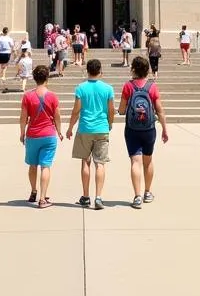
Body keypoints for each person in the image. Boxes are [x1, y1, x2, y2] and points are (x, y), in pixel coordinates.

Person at [118, 55, 169, 208]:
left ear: (133, 69)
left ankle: (137, 196)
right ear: (147, 70)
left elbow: (121, 109)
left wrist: (123, 110)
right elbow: (159, 110)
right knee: (148, 161)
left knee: (135, 161)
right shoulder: (152, 87)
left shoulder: (128, 86)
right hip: (149, 129)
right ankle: (147, 192)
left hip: (132, 129)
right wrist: (165, 129)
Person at [65, 58, 115, 210]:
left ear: (87, 71)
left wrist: (70, 127)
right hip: (102, 128)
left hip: (85, 128)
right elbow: (111, 109)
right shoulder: (108, 89)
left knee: (85, 162)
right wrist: (110, 123)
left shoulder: (81, 88)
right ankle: (98, 197)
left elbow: (76, 110)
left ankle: (86, 196)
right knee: (100, 163)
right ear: (100, 71)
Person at [19, 65, 63, 208]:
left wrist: (22, 133)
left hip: (32, 134)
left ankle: (33, 191)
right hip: (49, 135)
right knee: (45, 166)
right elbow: (57, 117)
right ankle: (43, 198)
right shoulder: (52, 96)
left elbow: (23, 118)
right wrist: (60, 131)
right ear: (47, 78)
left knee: (33, 165)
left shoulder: (27, 96)